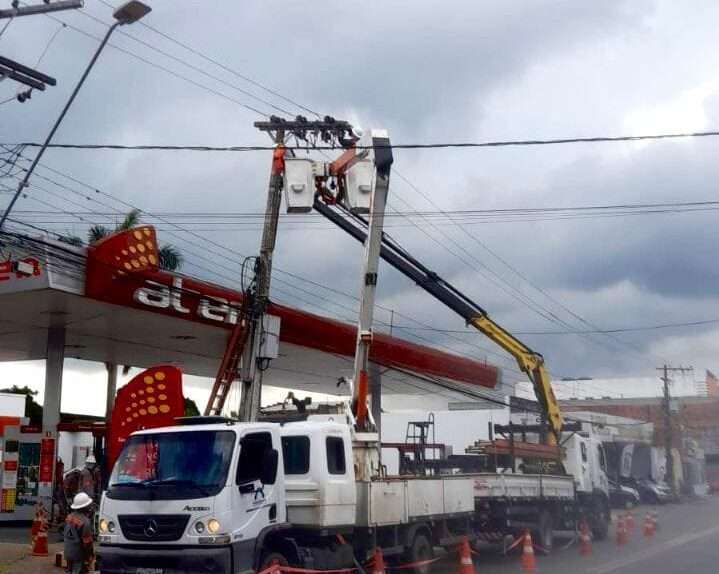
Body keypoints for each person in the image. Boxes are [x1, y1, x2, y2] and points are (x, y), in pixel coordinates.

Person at [63, 493, 95, 574]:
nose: (90, 506)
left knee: (69, 571)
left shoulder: (69, 517)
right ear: (84, 507)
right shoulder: (85, 522)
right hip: (78, 555)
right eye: (88, 505)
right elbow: (87, 543)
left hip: (68, 552)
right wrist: (90, 557)